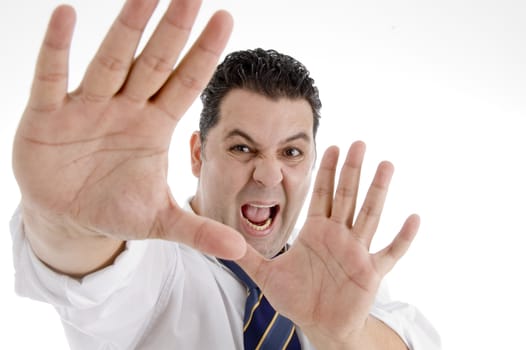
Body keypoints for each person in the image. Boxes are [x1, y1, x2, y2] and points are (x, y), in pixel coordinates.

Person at [10, 0, 440, 349]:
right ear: (198, 154)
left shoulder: (342, 281)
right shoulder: (152, 264)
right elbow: (89, 269)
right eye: (241, 148)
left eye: (291, 152)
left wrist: (343, 336)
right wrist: (65, 222)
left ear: (310, 164)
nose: (269, 175)